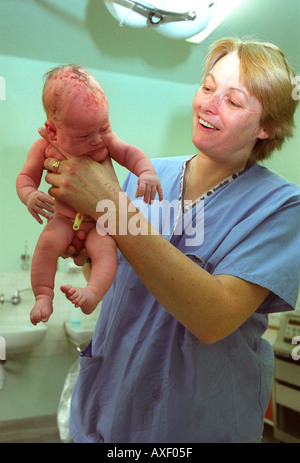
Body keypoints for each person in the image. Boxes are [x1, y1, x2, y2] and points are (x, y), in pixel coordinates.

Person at [42, 38, 300, 443]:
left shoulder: (281, 207)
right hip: (109, 406)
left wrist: (111, 204)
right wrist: (85, 255)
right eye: (209, 87)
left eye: (233, 101)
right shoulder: (146, 176)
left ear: (267, 126)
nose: (209, 104)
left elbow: (213, 318)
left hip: (196, 420)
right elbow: (121, 284)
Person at [16, 65, 163, 325]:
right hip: (62, 219)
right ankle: (43, 295)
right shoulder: (43, 147)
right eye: (84, 135)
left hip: (98, 224)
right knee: (48, 245)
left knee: (105, 249)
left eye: (104, 128)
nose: (97, 140)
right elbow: (26, 177)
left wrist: (147, 173)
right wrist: (29, 196)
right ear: (53, 131)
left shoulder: (105, 141)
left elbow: (130, 153)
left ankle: (93, 293)